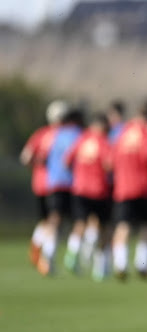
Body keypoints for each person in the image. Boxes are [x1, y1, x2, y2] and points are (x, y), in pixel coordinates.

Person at [110, 102, 147, 280]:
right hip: (146, 187)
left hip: (123, 187)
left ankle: (120, 264)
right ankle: (142, 264)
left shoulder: (122, 133)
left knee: (123, 224)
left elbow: (109, 161)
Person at [64, 113, 113, 279]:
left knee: (80, 224)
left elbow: (67, 160)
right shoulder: (104, 143)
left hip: (79, 189)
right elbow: (109, 165)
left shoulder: (82, 139)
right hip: (99, 190)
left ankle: (72, 254)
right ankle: (100, 269)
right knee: (104, 227)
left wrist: (79, 173)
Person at [20, 100, 68, 269]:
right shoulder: (64, 136)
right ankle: (46, 259)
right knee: (55, 220)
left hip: (39, 184)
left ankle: (36, 246)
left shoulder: (40, 134)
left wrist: (36, 168)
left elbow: (25, 157)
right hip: (55, 184)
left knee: (45, 221)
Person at [37, 108, 84, 276]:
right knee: (79, 222)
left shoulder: (52, 135)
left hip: (54, 183)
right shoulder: (80, 135)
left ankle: (47, 255)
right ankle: (71, 257)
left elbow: (40, 157)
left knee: (54, 219)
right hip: (73, 184)